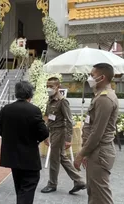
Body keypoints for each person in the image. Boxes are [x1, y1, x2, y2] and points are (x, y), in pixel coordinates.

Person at [0, 81, 49, 204]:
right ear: (30, 94)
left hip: (12, 155)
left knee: (19, 186)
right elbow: (43, 132)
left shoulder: (6, 109)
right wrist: (35, 139)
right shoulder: (34, 110)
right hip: (28, 156)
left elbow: (1, 131)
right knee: (28, 187)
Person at [74, 63, 118, 204]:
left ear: (102, 77)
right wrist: (87, 152)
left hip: (100, 152)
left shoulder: (105, 99)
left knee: (101, 196)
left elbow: (97, 133)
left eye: (92, 75)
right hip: (95, 151)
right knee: (93, 192)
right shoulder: (99, 96)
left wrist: (81, 154)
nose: (90, 78)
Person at [41, 77, 86, 194]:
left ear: (58, 87)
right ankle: (79, 181)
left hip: (60, 132)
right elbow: (47, 117)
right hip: (52, 131)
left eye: (52, 86)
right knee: (62, 158)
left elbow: (69, 120)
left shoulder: (62, 101)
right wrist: (46, 134)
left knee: (55, 159)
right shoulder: (50, 100)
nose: (49, 88)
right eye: (47, 86)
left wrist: (68, 139)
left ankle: (52, 184)